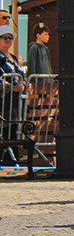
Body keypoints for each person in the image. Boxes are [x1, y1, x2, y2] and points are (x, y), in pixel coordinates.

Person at [0, 25, 26, 158]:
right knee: (4, 133)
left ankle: (12, 160)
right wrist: (11, 87)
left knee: (14, 131)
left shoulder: (13, 58)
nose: (8, 40)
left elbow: (21, 75)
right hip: (3, 104)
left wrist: (24, 83)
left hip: (15, 105)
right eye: (5, 38)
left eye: (10, 38)